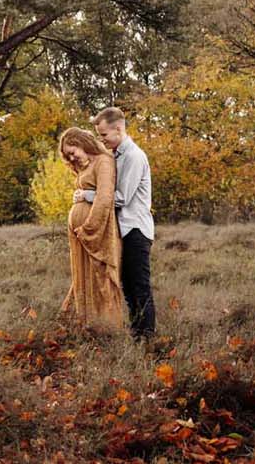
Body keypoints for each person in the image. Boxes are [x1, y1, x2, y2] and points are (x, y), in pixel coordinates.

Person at [74, 106, 155, 338]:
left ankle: (147, 338)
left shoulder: (133, 156)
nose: (102, 140)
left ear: (118, 129)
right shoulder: (116, 155)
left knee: (139, 287)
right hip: (124, 230)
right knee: (128, 288)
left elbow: (121, 197)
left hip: (136, 230)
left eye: (104, 135)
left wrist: (88, 196)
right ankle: (136, 333)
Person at [57, 126, 126, 331]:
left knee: (100, 277)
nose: (72, 158)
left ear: (82, 144)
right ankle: (85, 324)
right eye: (68, 155)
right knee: (83, 276)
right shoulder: (84, 166)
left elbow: (105, 199)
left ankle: (106, 328)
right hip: (80, 236)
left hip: (95, 233)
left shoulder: (103, 162)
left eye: (73, 152)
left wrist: (88, 229)